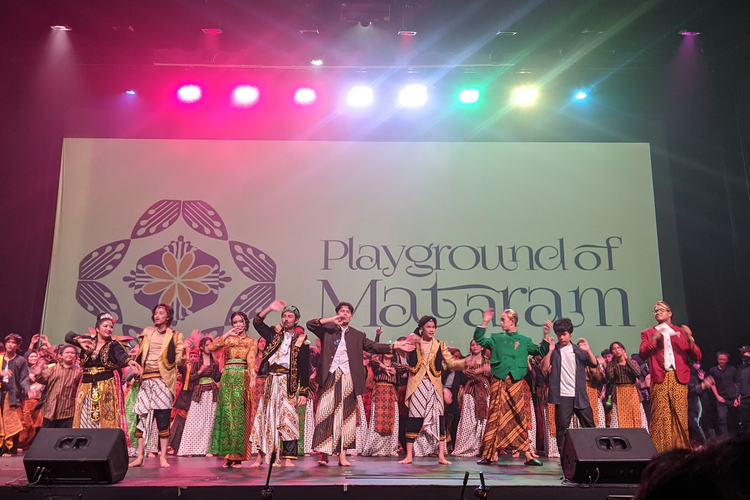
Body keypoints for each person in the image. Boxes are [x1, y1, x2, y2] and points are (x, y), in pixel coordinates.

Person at [306, 301, 414, 467]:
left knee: (346, 416)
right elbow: (310, 324)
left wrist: (395, 345)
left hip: (348, 377)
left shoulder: (357, 335)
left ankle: (342, 455)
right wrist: (331, 320)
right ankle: (325, 454)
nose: (344, 314)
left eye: (347, 312)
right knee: (325, 414)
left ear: (351, 316)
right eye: (341, 311)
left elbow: (374, 346)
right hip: (330, 376)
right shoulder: (327, 331)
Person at [473, 308, 549, 466]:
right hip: (499, 380)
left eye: (503, 320)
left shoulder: (524, 339)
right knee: (495, 415)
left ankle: (527, 454)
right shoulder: (496, 337)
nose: (501, 323)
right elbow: (479, 339)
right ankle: (489, 454)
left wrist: (546, 336)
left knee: (519, 416)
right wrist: (485, 321)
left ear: (512, 321)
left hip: (516, 381)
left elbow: (540, 351)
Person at [398, 315, 465, 465]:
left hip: (434, 385)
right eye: (428, 327)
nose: (431, 330)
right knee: (414, 418)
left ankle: (441, 456)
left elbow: (452, 363)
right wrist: (414, 337)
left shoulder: (440, 345)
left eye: (433, 327)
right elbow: (405, 346)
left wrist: (467, 362)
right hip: (417, 384)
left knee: (439, 418)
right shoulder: (415, 341)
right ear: (422, 328)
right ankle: (409, 455)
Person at [251, 300, 310, 468]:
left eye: (290, 316)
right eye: (284, 316)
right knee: (267, 416)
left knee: (289, 417)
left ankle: (289, 457)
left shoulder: (302, 342)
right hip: (271, 380)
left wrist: (304, 392)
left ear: (296, 320)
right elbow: (257, 322)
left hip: (288, 383)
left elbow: (304, 369)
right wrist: (269, 308)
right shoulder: (273, 334)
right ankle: (261, 456)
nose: (286, 319)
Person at [639, 301, 702, 453]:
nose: (657, 313)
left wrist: (690, 339)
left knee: (679, 413)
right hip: (660, 377)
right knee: (660, 414)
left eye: (661, 310)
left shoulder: (680, 332)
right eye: (655, 311)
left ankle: (681, 449)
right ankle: (659, 450)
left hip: (678, 377)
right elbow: (642, 353)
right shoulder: (648, 332)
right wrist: (654, 339)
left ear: (670, 313)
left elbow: (697, 356)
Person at [130, 304, 186, 468]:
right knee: (141, 417)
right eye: (155, 313)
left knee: (162, 418)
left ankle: (163, 457)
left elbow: (179, 360)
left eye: (161, 313)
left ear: (168, 317)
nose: (157, 316)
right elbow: (141, 354)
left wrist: (182, 354)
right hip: (146, 379)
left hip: (163, 380)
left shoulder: (175, 336)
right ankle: (140, 456)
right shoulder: (147, 334)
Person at [66, 313, 142, 436]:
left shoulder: (113, 345)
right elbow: (68, 336)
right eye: (105, 326)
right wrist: (79, 340)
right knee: (85, 415)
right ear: (97, 328)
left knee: (105, 416)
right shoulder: (87, 342)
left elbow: (120, 355)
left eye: (111, 327)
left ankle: (102, 443)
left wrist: (130, 361)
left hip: (106, 385)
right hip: (86, 386)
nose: (109, 329)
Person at [208, 311, 258, 468]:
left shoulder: (252, 341)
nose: (237, 325)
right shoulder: (228, 339)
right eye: (235, 322)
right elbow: (211, 347)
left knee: (239, 416)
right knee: (227, 416)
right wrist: (227, 334)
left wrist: (252, 374)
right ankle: (228, 455)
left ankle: (238, 456)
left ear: (245, 323)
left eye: (240, 321)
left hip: (242, 377)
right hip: (228, 377)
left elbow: (251, 359)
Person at [541, 317, 597, 454]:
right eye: (559, 334)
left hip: (579, 395)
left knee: (589, 426)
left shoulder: (578, 350)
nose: (561, 337)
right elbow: (544, 367)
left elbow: (594, 363)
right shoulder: (554, 350)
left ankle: (594, 454)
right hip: (562, 396)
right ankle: (565, 458)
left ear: (570, 333)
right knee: (561, 429)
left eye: (564, 334)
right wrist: (549, 350)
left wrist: (588, 350)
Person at [178, 337, 221, 456]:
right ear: (202, 347)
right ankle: (190, 449)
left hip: (212, 393)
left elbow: (217, 378)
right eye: (207, 345)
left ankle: (208, 449)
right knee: (194, 421)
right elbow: (189, 378)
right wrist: (200, 372)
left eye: (211, 345)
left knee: (210, 422)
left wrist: (222, 372)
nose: (209, 347)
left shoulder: (215, 362)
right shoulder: (196, 362)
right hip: (199, 393)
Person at [452, 340, 491, 457]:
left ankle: (482, 446)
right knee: (468, 419)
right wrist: (481, 370)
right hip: (471, 391)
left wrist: (487, 370)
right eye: (472, 345)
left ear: (482, 347)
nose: (474, 347)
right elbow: (468, 373)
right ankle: (466, 447)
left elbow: (492, 373)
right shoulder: (468, 360)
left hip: (484, 391)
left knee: (484, 419)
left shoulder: (487, 361)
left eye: (477, 344)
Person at [32, 344, 82, 429]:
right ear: (61, 355)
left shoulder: (79, 372)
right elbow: (41, 379)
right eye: (67, 353)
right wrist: (39, 369)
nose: (69, 355)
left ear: (76, 356)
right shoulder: (53, 369)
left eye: (72, 353)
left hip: (68, 411)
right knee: (48, 438)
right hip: (50, 409)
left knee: (65, 437)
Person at [607, 341, 648, 429]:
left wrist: (627, 359)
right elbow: (610, 378)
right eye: (614, 349)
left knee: (636, 415)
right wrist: (610, 363)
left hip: (632, 392)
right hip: (619, 392)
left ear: (623, 349)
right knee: (619, 416)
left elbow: (637, 373)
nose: (616, 350)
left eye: (618, 348)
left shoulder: (632, 362)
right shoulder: (613, 365)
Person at [0, 333, 29, 456]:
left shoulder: (20, 360)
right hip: (1, 392)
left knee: (12, 422)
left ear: (17, 346)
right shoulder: (0, 359)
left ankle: (10, 449)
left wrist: (28, 390)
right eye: (8, 342)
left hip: (12, 394)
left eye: (13, 343)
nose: (10, 344)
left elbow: (24, 378)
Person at [708, 351, 738, 437]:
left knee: (734, 419)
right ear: (717, 359)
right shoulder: (713, 370)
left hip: (732, 398)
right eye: (720, 359)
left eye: (724, 359)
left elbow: (738, 383)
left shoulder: (733, 370)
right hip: (721, 398)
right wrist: (717, 396)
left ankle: (736, 437)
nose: (722, 361)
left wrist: (737, 398)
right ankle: (725, 438)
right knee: (722, 418)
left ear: (728, 360)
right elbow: (712, 384)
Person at [735, 346, 750, 434]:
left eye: (744, 352)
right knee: (745, 423)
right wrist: (737, 396)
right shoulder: (741, 367)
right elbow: (739, 382)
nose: (742, 354)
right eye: (741, 353)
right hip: (744, 399)